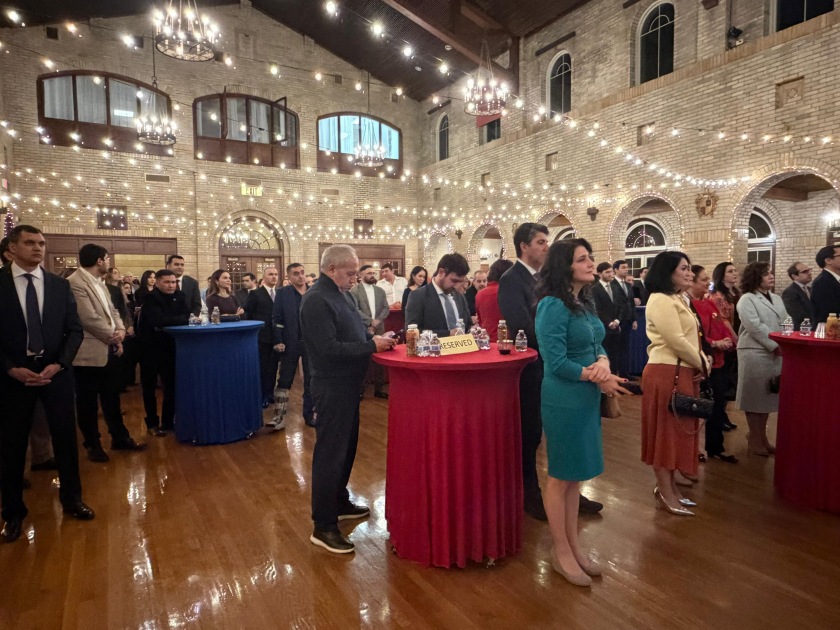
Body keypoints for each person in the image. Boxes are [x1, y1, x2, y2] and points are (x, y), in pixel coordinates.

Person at [536, 239, 629, 586]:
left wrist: (603, 362)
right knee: (561, 476)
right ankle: (560, 551)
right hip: (564, 395)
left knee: (575, 476)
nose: (592, 263)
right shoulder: (552, 305)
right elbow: (555, 361)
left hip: (586, 394)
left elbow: (596, 343)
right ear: (565, 266)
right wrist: (596, 375)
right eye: (583, 259)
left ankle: (574, 545)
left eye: (590, 257)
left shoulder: (583, 302)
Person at [501, 223, 603, 518]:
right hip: (536, 367)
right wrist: (555, 342)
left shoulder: (567, 288)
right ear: (524, 246)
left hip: (563, 364)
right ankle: (531, 494)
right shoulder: (512, 278)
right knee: (532, 434)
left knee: (567, 439)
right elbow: (521, 323)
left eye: (548, 242)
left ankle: (573, 492)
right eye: (541, 241)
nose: (546, 246)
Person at [0, 225, 94, 542]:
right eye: (30, 243)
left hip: (55, 372)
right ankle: (12, 513)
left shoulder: (57, 285)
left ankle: (72, 498)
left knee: (65, 439)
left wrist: (60, 363)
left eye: (41, 243)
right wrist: (11, 369)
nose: (38, 248)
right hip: (15, 376)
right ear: (11, 249)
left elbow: (75, 330)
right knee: (12, 445)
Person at [301, 245, 396, 553]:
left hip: (348, 385)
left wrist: (371, 341)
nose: (356, 278)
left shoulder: (339, 295)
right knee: (330, 453)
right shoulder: (316, 300)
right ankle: (323, 525)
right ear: (332, 269)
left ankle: (339, 501)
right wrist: (371, 347)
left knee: (347, 448)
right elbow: (328, 349)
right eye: (351, 272)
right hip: (331, 386)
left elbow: (351, 334)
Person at [641, 251, 711, 516]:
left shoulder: (677, 299)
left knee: (678, 432)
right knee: (665, 435)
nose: (689, 273)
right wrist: (703, 363)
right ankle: (665, 491)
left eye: (690, 268)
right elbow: (676, 340)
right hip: (665, 370)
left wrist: (698, 363)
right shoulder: (660, 299)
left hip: (681, 369)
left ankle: (670, 488)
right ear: (668, 271)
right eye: (684, 268)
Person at [68, 244, 146, 461]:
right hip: (88, 351)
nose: (109, 262)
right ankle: (93, 444)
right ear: (100, 261)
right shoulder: (75, 282)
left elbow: (113, 311)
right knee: (87, 403)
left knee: (112, 398)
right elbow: (88, 318)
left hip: (109, 347)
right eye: (107, 258)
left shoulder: (100, 283)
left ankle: (119, 438)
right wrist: (113, 335)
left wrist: (120, 330)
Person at [736, 261, 788, 456]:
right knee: (754, 398)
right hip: (755, 351)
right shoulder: (747, 299)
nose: (771, 276)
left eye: (771, 273)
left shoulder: (776, 298)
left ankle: (762, 437)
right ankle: (754, 438)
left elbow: (786, 320)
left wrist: (787, 338)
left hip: (776, 351)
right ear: (755, 277)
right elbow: (754, 325)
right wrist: (774, 344)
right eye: (766, 274)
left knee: (767, 398)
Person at [687, 265, 738, 463]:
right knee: (697, 408)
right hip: (699, 362)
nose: (707, 284)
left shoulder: (709, 304)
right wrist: (715, 343)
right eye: (703, 280)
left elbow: (721, 324)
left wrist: (726, 340)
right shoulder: (688, 306)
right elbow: (692, 336)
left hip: (717, 360)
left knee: (717, 405)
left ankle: (715, 446)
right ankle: (694, 449)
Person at [136, 269, 190, 437]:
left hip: (171, 348)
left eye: (174, 282)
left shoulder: (180, 296)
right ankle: (152, 423)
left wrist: (171, 322)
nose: (171, 285)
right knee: (149, 388)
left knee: (171, 386)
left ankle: (168, 422)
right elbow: (158, 321)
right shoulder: (151, 298)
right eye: (167, 282)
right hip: (149, 349)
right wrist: (177, 320)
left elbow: (186, 316)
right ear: (158, 283)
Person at [272, 263, 314, 429]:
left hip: (311, 343)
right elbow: (277, 319)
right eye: (296, 274)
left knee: (311, 379)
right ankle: (279, 417)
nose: (300, 276)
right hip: (290, 342)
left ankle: (309, 414)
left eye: (302, 272)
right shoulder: (283, 293)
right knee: (285, 378)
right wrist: (278, 340)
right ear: (289, 277)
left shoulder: (313, 292)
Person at [405, 253, 471, 337]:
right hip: (433, 349)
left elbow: (468, 324)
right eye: (454, 281)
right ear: (441, 272)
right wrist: (448, 334)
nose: (457, 286)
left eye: (460, 282)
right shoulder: (418, 296)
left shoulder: (459, 297)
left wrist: (473, 329)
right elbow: (412, 332)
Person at [351, 265, 391, 399]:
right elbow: (355, 310)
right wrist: (369, 321)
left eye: (373, 273)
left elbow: (386, 308)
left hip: (379, 328)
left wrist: (377, 321)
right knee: (362, 359)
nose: (372, 275)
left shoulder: (380, 291)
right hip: (362, 329)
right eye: (369, 273)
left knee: (379, 360)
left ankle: (379, 389)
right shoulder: (354, 291)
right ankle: (360, 390)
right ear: (361, 275)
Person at [710, 261, 741, 431]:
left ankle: (724, 414)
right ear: (722, 275)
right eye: (730, 271)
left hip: (737, 337)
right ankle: (719, 415)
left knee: (728, 382)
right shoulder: (718, 296)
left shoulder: (736, 292)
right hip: (727, 341)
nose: (735, 274)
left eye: (735, 271)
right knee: (722, 381)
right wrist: (736, 339)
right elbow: (724, 321)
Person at [244, 267, 280, 408]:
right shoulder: (256, 293)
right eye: (271, 274)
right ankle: (262, 395)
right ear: (264, 277)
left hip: (276, 336)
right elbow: (248, 313)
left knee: (273, 368)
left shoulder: (280, 293)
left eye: (276, 274)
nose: (274, 277)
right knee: (263, 368)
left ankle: (270, 393)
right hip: (262, 336)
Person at [591, 262, 622, 373]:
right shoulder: (594, 289)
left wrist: (617, 321)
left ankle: (615, 377)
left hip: (616, 326)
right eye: (607, 272)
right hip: (603, 326)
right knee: (605, 354)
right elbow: (597, 309)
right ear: (599, 274)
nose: (610, 274)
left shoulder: (615, 288)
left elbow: (620, 306)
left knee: (615, 354)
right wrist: (609, 322)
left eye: (611, 271)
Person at [610, 260, 637, 378]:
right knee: (616, 348)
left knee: (626, 347)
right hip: (617, 320)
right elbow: (613, 305)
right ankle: (614, 372)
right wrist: (616, 320)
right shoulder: (611, 285)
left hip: (628, 319)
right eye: (623, 267)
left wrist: (634, 319)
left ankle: (624, 372)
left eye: (627, 267)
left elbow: (631, 303)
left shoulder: (627, 285)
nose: (626, 269)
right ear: (616, 270)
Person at [476, 259, 513, 341]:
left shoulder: (479, 294)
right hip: (506, 341)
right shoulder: (507, 292)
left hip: (487, 341)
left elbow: (481, 320)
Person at [810, 245, 840, 324]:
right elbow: (827, 312)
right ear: (828, 260)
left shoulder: (835, 279)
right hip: (829, 331)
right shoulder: (822, 282)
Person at [781, 262, 815, 331]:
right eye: (805, 271)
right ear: (795, 276)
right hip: (802, 331)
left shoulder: (810, 289)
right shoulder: (790, 292)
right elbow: (797, 316)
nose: (809, 273)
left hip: (813, 329)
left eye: (809, 270)